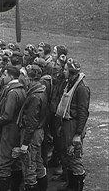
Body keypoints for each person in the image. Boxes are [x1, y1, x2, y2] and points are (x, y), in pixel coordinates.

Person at [0, 66, 26, 191]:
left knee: (4, 162)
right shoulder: (21, 90)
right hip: (18, 129)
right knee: (15, 161)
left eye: (5, 75)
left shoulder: (12, 92)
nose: (3, 78)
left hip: (9, 130)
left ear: (10, 76)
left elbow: (7, 116)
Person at [56, 58, 90, 191]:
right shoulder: (70, 83)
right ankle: (70, 186)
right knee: (67, 156)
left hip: (74, 125)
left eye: (65, 69)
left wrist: (77, 134)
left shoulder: (81, 88)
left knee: (74, 158)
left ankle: (77, 187)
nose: (63, 71)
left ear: (71, 72)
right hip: (67, 123)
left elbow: (83, 113)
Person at [13, 65, 48, 191]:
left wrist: (25, 144)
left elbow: (31, 122)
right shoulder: (40, 91)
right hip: (38, 133)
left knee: (29, 166)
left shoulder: (34, 96)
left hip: (32, 135)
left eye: (25, 76)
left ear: (30, 78)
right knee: (38, 162)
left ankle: (31, 186)